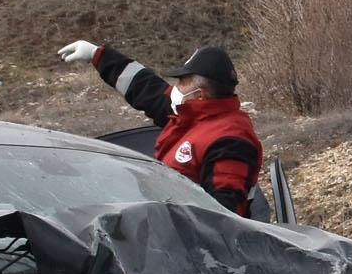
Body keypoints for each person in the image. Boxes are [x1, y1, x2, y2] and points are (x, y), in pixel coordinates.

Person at [63, 39, 263, 214]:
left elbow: (222, 216)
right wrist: (98, 55)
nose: (175, 88)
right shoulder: (191, 114)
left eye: (182, 82)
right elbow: (144, 87)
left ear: (200, 94)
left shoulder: (231, 140)